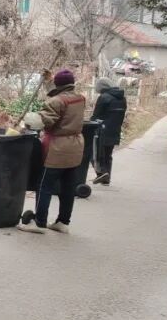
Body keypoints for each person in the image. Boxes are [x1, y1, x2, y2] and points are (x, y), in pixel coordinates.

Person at [18, 68, 85, 235]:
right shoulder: (80, 98)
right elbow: (61, 99)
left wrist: (28, 121)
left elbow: (45, 120)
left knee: (44, 185)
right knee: (68, 187)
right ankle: (63, 222)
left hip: (58, 148)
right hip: (75, 145)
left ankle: (39, 222)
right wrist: (49, 82)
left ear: (59, 85)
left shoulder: (56, 102)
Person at [90, 77, 126, 185]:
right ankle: (106, 179)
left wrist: (91, 123)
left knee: (95, 154)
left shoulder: (104, 97)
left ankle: (101, 173)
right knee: (108, 154)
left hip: (102, 129)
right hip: (115, 129)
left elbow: (96, 115)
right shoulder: (122, 98)